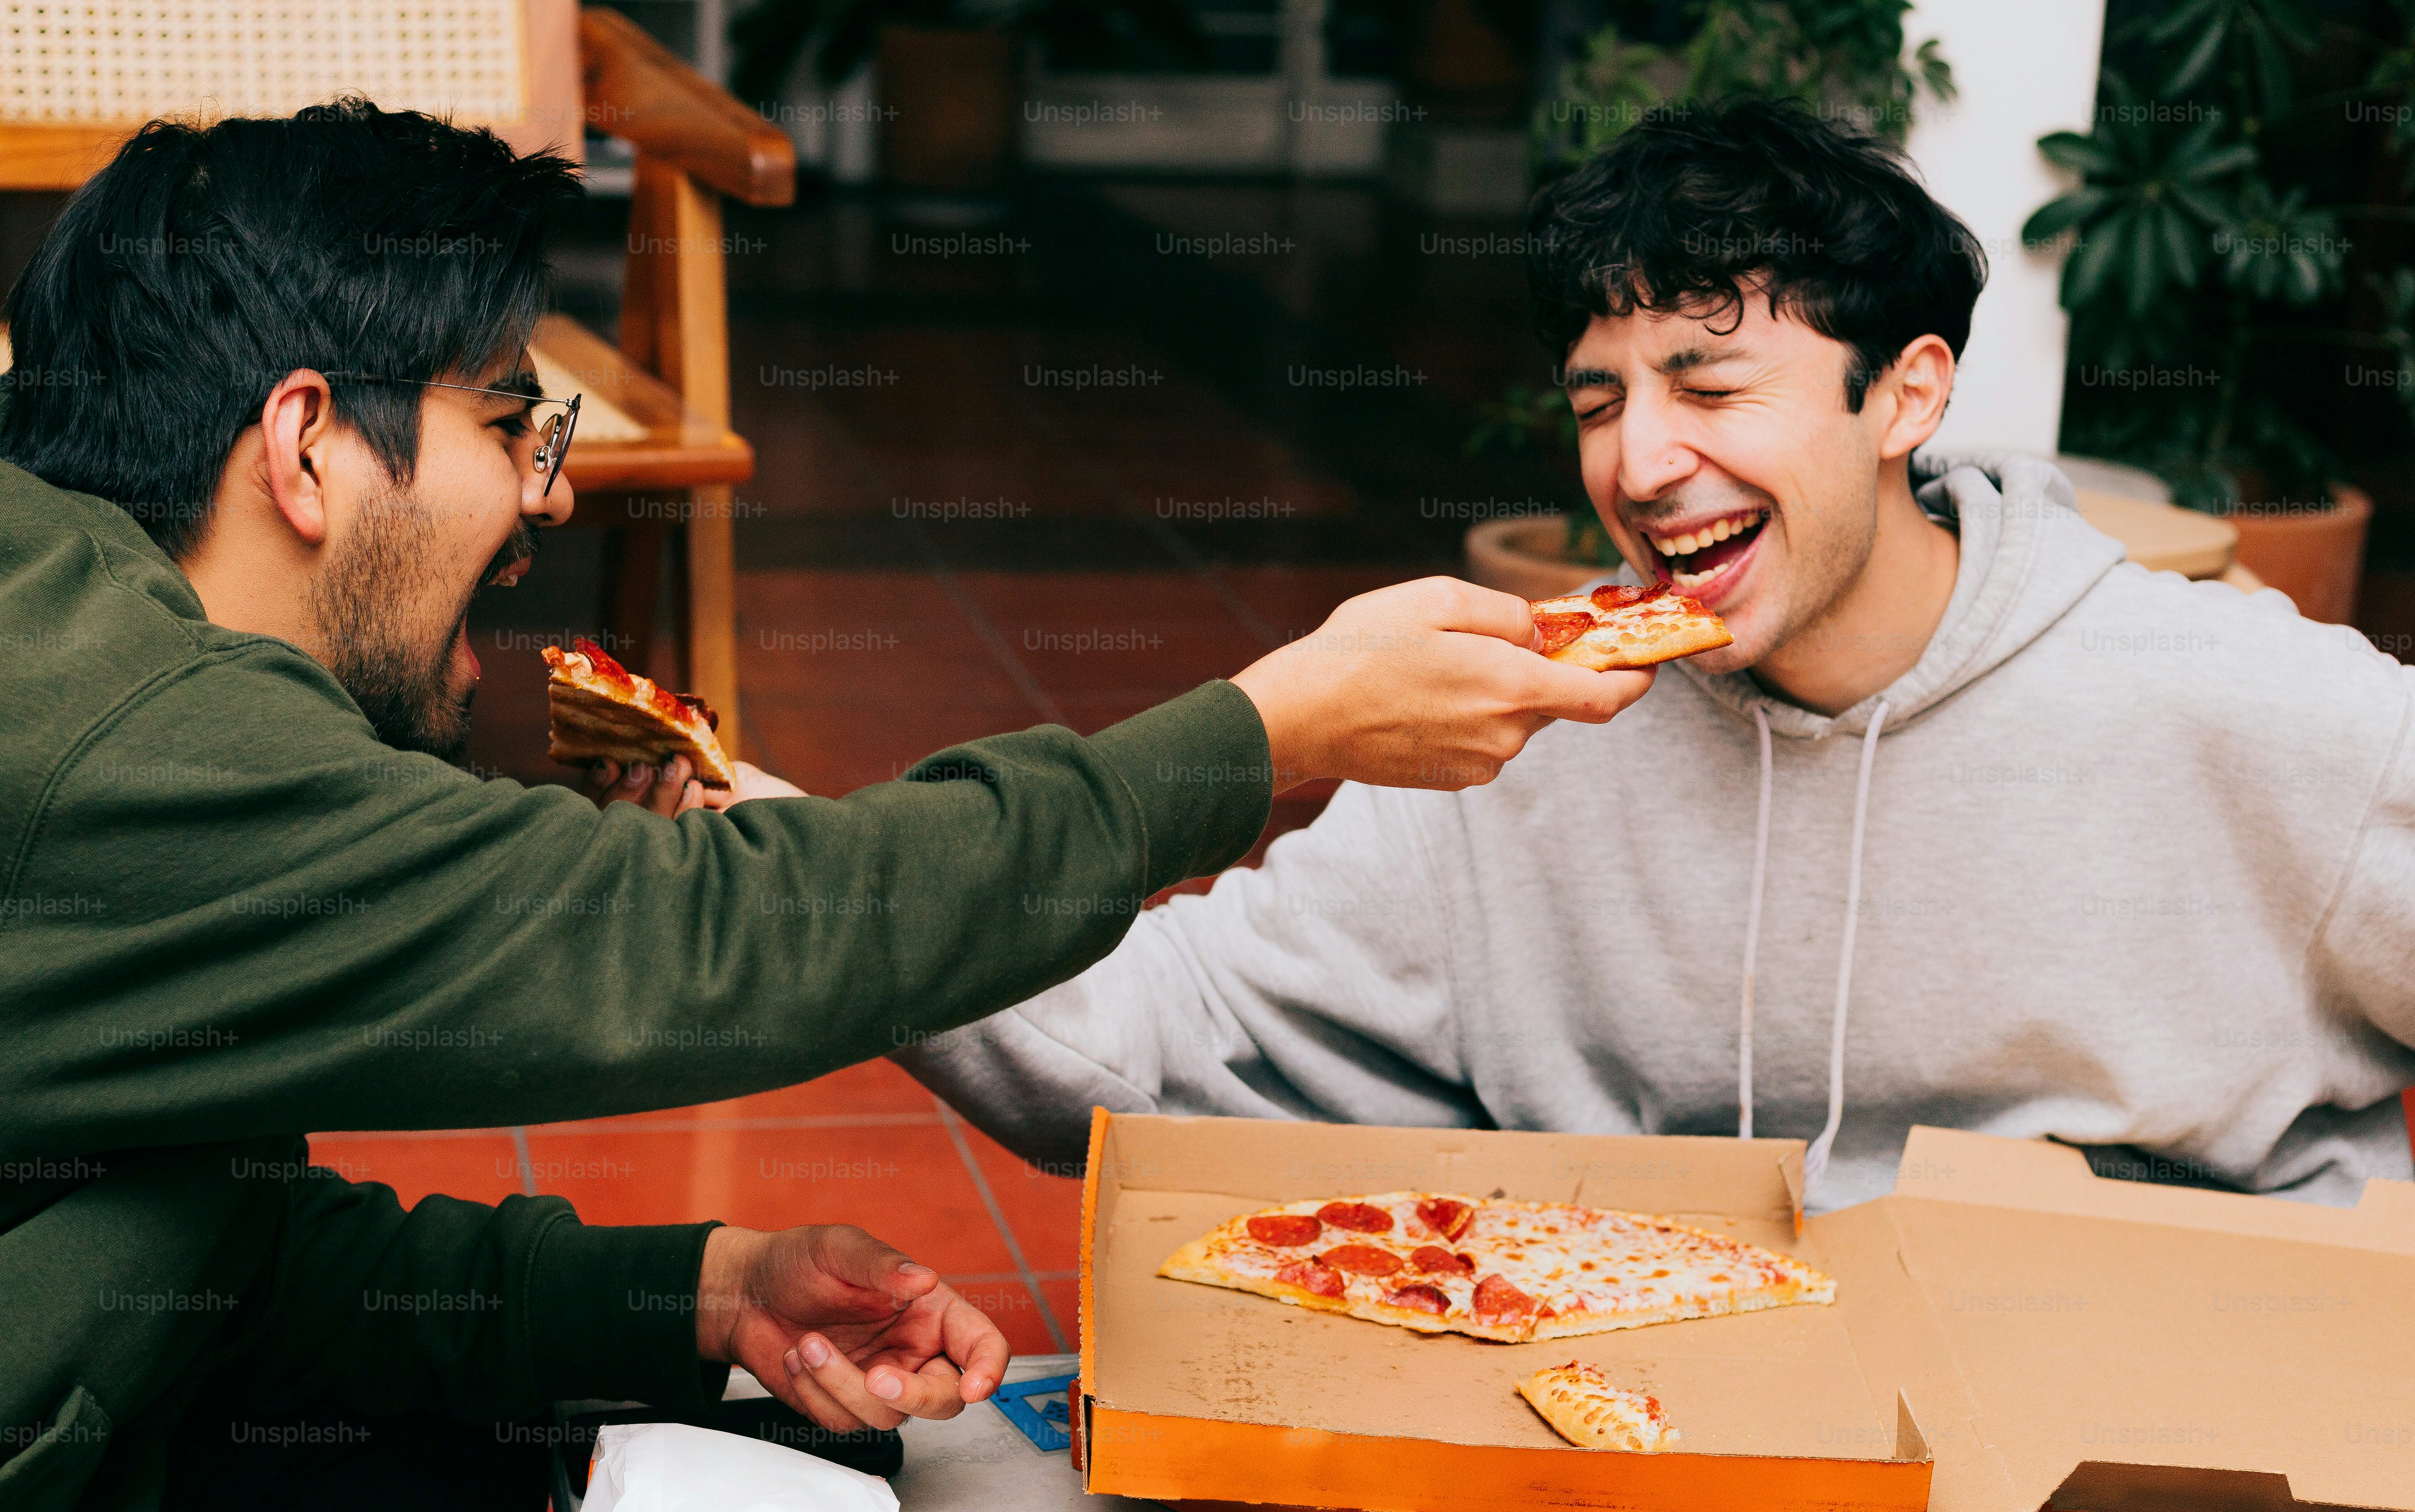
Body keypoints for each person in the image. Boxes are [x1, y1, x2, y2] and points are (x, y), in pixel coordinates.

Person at [0, 101, 1654, 1512]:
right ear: (306, 445)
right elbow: (690, 940)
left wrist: (698, 1287)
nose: (552, 494)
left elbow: (186, 1241)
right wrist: (1271, 732)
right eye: (517, 423)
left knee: (468, 1462)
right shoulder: (108, 745)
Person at [900, 99, 2415, 1212]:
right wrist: (775, 874)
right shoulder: (1526, 725)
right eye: (1599, 400)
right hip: (1661, 1426)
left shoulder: (2242, 705)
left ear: (1906, 396)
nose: (1640, 461)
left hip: (2151, 1465)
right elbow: (1161, 1041)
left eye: (1710, 383)